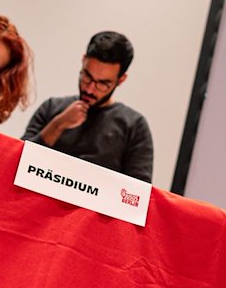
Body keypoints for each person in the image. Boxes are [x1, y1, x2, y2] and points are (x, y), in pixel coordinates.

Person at [21, 31, 153, 183]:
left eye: (102, 83)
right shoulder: (52, 108)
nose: (90, 89)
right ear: (83, 61)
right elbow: (18, 162)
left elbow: (138, 194)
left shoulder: (134, 126)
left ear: (121, 80)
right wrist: (58, 125)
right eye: (87, 76)